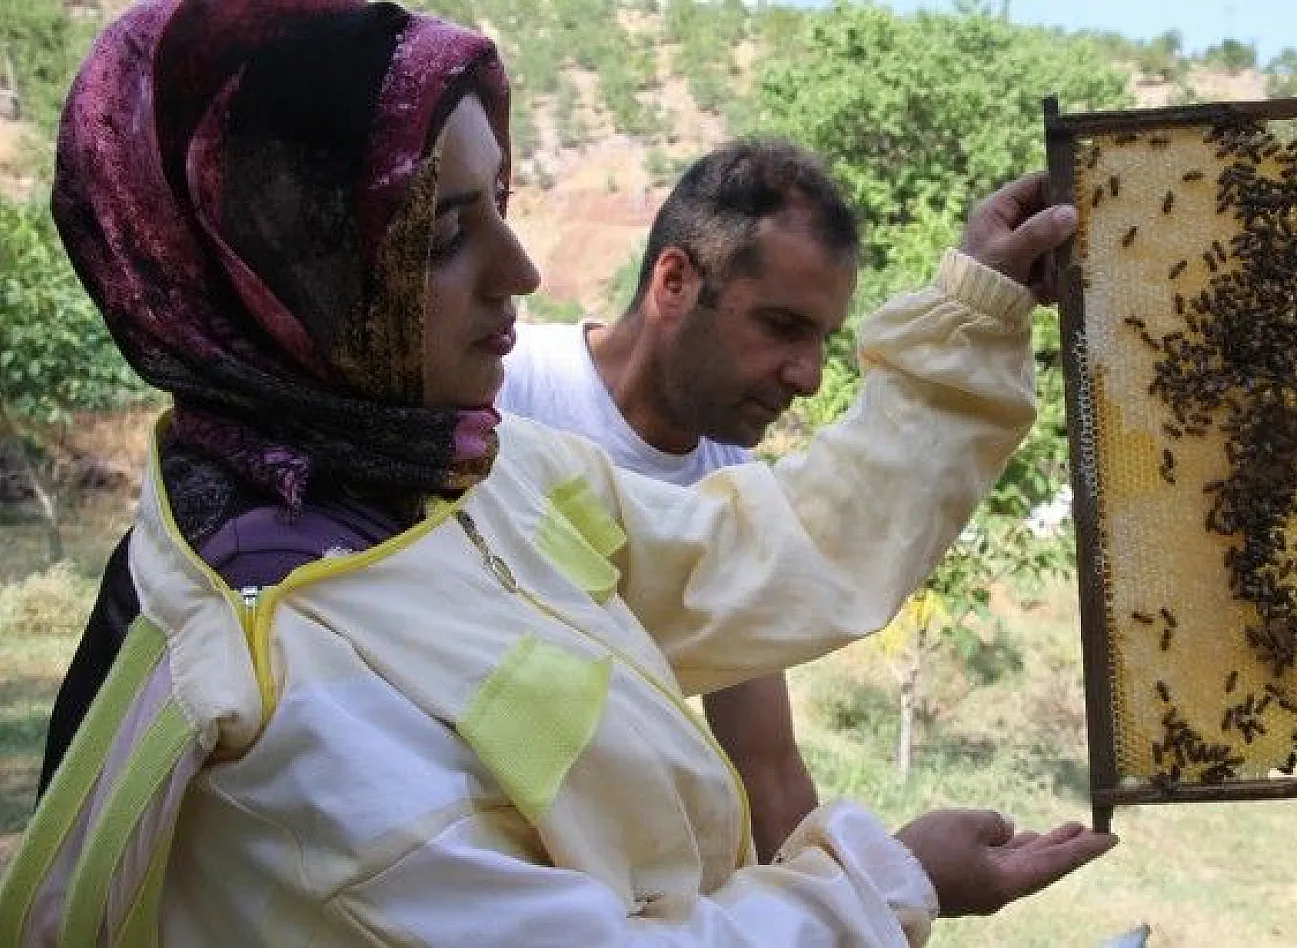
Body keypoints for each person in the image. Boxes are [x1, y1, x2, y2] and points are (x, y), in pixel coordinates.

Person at [2, 0, 1114, 943]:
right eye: (440, 233)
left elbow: (756, 550)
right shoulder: (287, 688)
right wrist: (891, 883)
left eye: (504, 205)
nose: (520, 270)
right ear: (283, 274)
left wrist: (973, 309)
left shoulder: (470, 476)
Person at [497, 139, 857, 857]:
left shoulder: (729, 488)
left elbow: (769, 769)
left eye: (822, 339)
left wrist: (866, 907)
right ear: (673, 283)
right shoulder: (503, 392)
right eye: (782, 326)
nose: (810, 375)